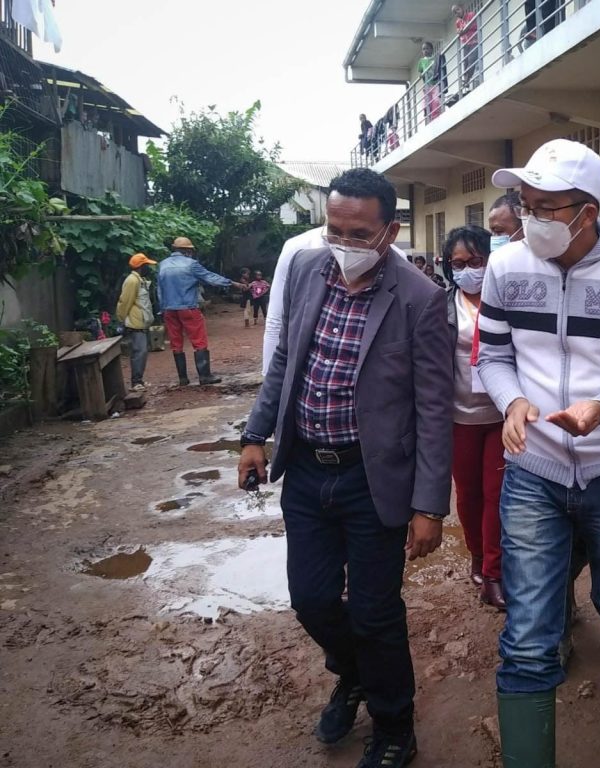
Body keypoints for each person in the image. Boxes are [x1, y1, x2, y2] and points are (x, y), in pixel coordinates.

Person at [237, 168, 453, 767]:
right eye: (335, 229)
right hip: (308, 470)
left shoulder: (420, 298)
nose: (344, 243)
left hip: (372, 480)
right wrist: (254, 435)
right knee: (310, 598)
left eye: (359, 234)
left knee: (376, 611)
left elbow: (434, 409)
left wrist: (429, 505)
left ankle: (394, 726)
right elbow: (286, 360)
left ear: (389, 232)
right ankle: (355, 673)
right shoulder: (308, 269)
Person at [478, 139, 600, 768]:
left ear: (587, 212)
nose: (530, 217)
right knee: (528, 630)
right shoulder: (505, 267)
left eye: (546, 207)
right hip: (533, 469)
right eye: (525, 204)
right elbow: (494, 356)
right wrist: (512, 401)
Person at [441, 225, 506, 609]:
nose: (467, 270)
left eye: (475, 261)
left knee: (497, 494)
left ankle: (495, 573)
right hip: (458, 418)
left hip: (500, 415)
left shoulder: (505, 299)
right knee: (467, 495)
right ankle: (477, 557)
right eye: (458, 263)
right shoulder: (441, 305)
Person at [156, 237, 244, 386]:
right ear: (187, 251)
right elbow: (210, 278)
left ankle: (183, 378)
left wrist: (162, 308)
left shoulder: (162, 265)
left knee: (176, 343)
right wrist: (232, 283)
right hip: (188, 307)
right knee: (199, 340)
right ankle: (204, 376)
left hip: (169, 309)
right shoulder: (191, 264)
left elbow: (159, 289)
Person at [261, 227, 323, 376]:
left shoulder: (381, 252)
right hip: (307, 371)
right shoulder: (299, 248)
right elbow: (276, 320)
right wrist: (268, 377)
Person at [115, 252, 158, 391]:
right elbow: (124, 302)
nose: (148, 268)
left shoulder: (139, 280)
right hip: (135, 323)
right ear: (141, 266)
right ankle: (136, 382)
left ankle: (139, 380)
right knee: (139, 352)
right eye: (146, 265)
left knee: (142, 352)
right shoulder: (132, 281)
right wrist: (121, 319)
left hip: (141, 322)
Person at [452, 4, 480, 93]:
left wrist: (462, 31)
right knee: (465, 62)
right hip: (466, 44)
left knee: (471, 60)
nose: (457, 13)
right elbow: (459, 32)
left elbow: (470, 26)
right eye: (454, 12)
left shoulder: (471, 15)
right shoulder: (458, 22)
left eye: (457, 10)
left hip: (474, 41)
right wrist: (459, 32)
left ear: (462, 8)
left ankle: (467, 80)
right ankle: (466, 81)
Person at [417, 42, 442, 123]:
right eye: (423, 49)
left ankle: (435, 117)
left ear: (431, 49)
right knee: (426, 100)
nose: (425, 51)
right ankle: (426, 110)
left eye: (427, 48)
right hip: (427, 84)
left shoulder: (435, 59)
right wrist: (421, 75)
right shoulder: (421, 61)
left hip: (435, 83)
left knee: (435, 100)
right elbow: (420, 72)